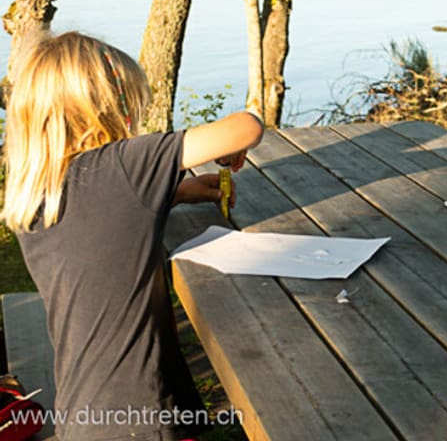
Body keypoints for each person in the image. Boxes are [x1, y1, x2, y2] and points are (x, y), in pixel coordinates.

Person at [3, 31, 264, 441]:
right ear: (102, 108)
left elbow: (95, 230)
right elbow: (245, 127)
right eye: (129, 104)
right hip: (140, 418)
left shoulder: (38, 191)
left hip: (85, 412)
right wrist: (236, 139)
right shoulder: (122, 166)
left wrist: (173, 193)